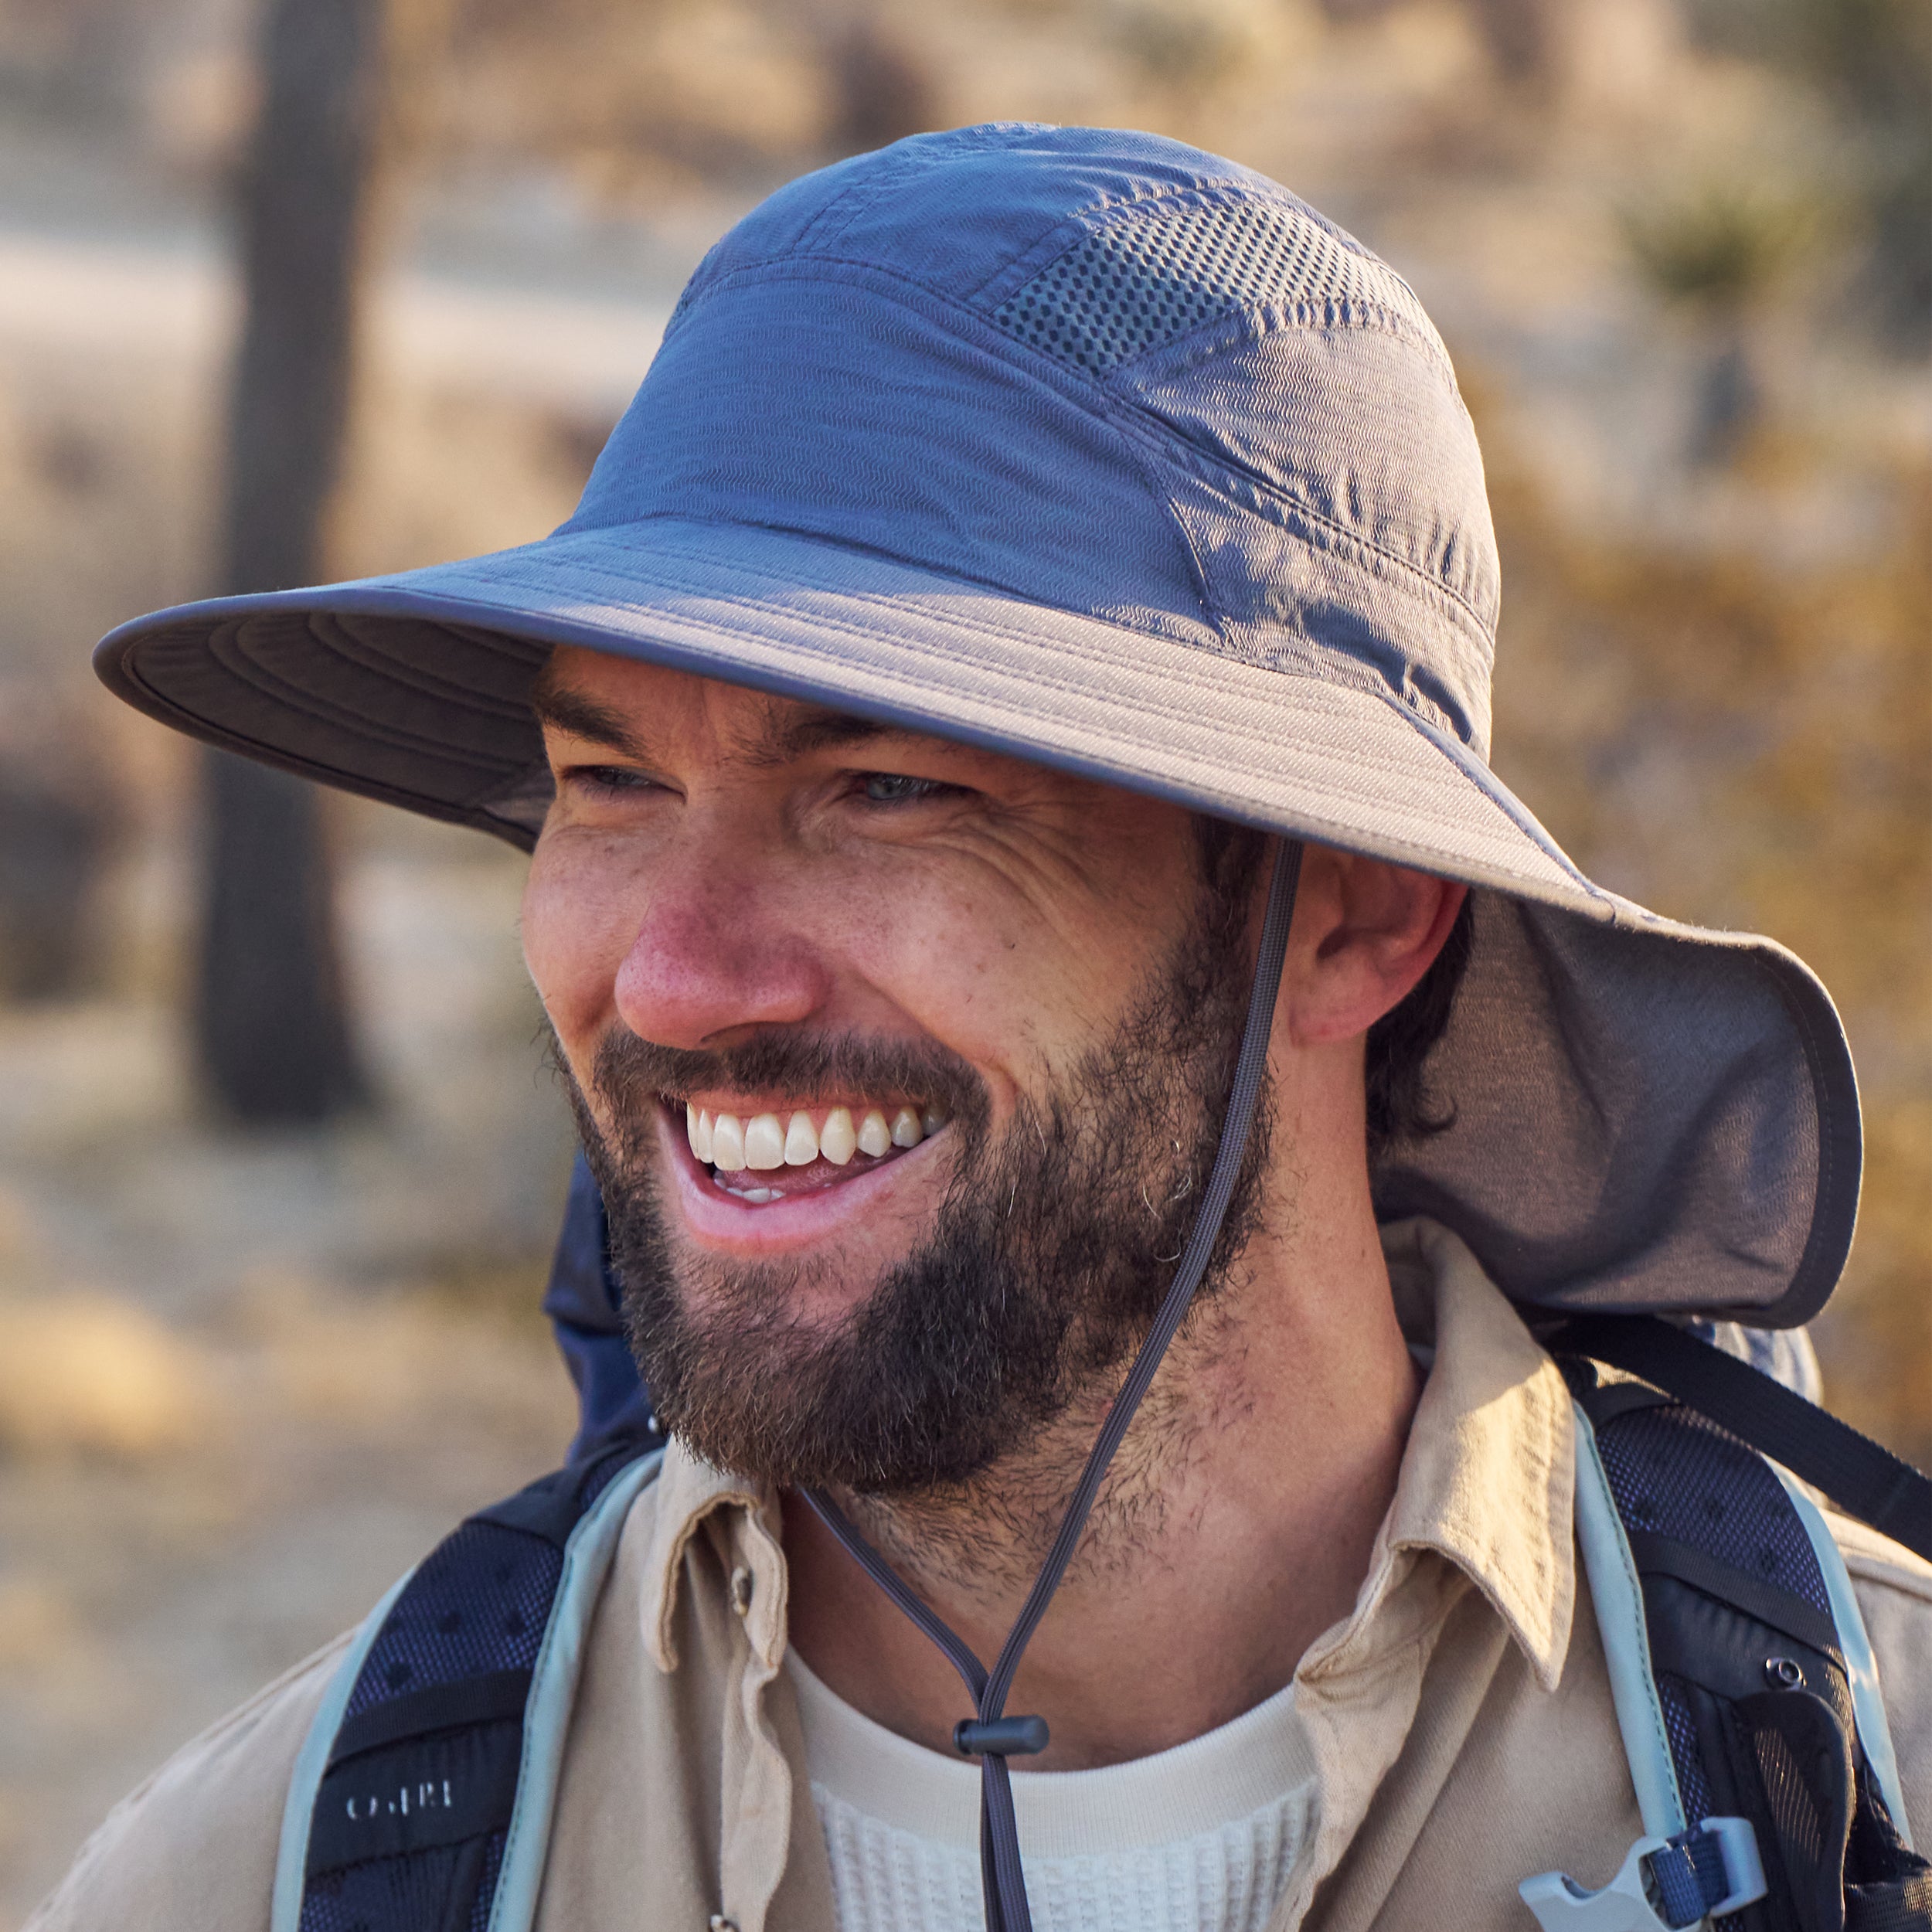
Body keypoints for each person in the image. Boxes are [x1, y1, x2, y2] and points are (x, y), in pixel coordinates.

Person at [36, 124, 1932, 1932]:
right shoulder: (297, 1863)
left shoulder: (1857, 1792)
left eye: (884, 788)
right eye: (606, 786)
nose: (680, 980)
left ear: (1350, 911)